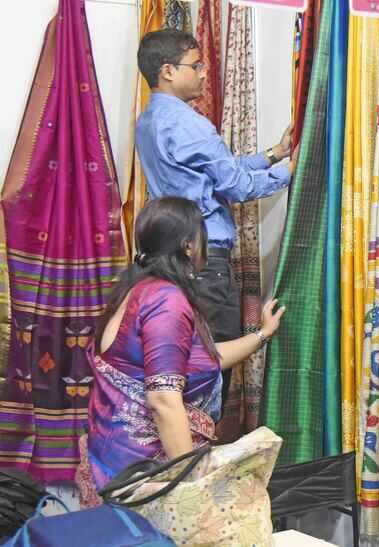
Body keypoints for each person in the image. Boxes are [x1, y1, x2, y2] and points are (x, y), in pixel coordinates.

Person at [75, 198, 286, 506]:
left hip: (115, 462)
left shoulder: (138, 290)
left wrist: (261, 335)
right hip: (146, 475)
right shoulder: (166, 301)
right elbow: (163, 400)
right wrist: (189, 488)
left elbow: (204, 360)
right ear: (189, 245)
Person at [134, 29, 295, 401]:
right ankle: (196, 449)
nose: (204, 73)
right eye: (196, 65)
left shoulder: (150, 121)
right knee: (207, 365)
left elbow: (217, 171)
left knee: (179, 355)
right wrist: (288, 171)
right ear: (168, 71)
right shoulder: (188, 124)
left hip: (173, 256)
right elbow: (235, 186)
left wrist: (273, 154)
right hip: (204, 261)